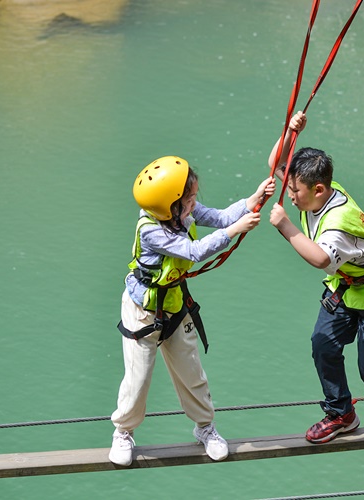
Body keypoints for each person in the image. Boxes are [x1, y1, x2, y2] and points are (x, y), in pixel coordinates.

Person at [108, 155, 275, 466]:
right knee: (138, 378)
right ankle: (123, 432)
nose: (195, 203)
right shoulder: (151, 230)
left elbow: (222, 217)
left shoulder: (179, 210)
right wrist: (237, 229)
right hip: (143, 310)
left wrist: (252, 200)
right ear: (172, 204)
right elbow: (193, 251)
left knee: (191, 372)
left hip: (174, 304)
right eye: (191, 197)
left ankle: (205, 428)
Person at [268, 111, 364, 444]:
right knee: (323, 344)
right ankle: (341, 412)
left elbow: (320, 259)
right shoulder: (317, 189)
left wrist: (284, 226)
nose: (289, 195)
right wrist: (290, 132)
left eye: (294, 190)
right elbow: (275, 162)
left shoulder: (337, 224)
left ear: (319, 189)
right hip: (349, 285)